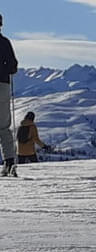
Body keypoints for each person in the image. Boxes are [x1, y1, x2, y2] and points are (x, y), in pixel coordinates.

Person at [0, 13, 18, 176]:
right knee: (3, 127)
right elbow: (13, 66)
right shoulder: (4, 42)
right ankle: (9, 162)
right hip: (2, 86)